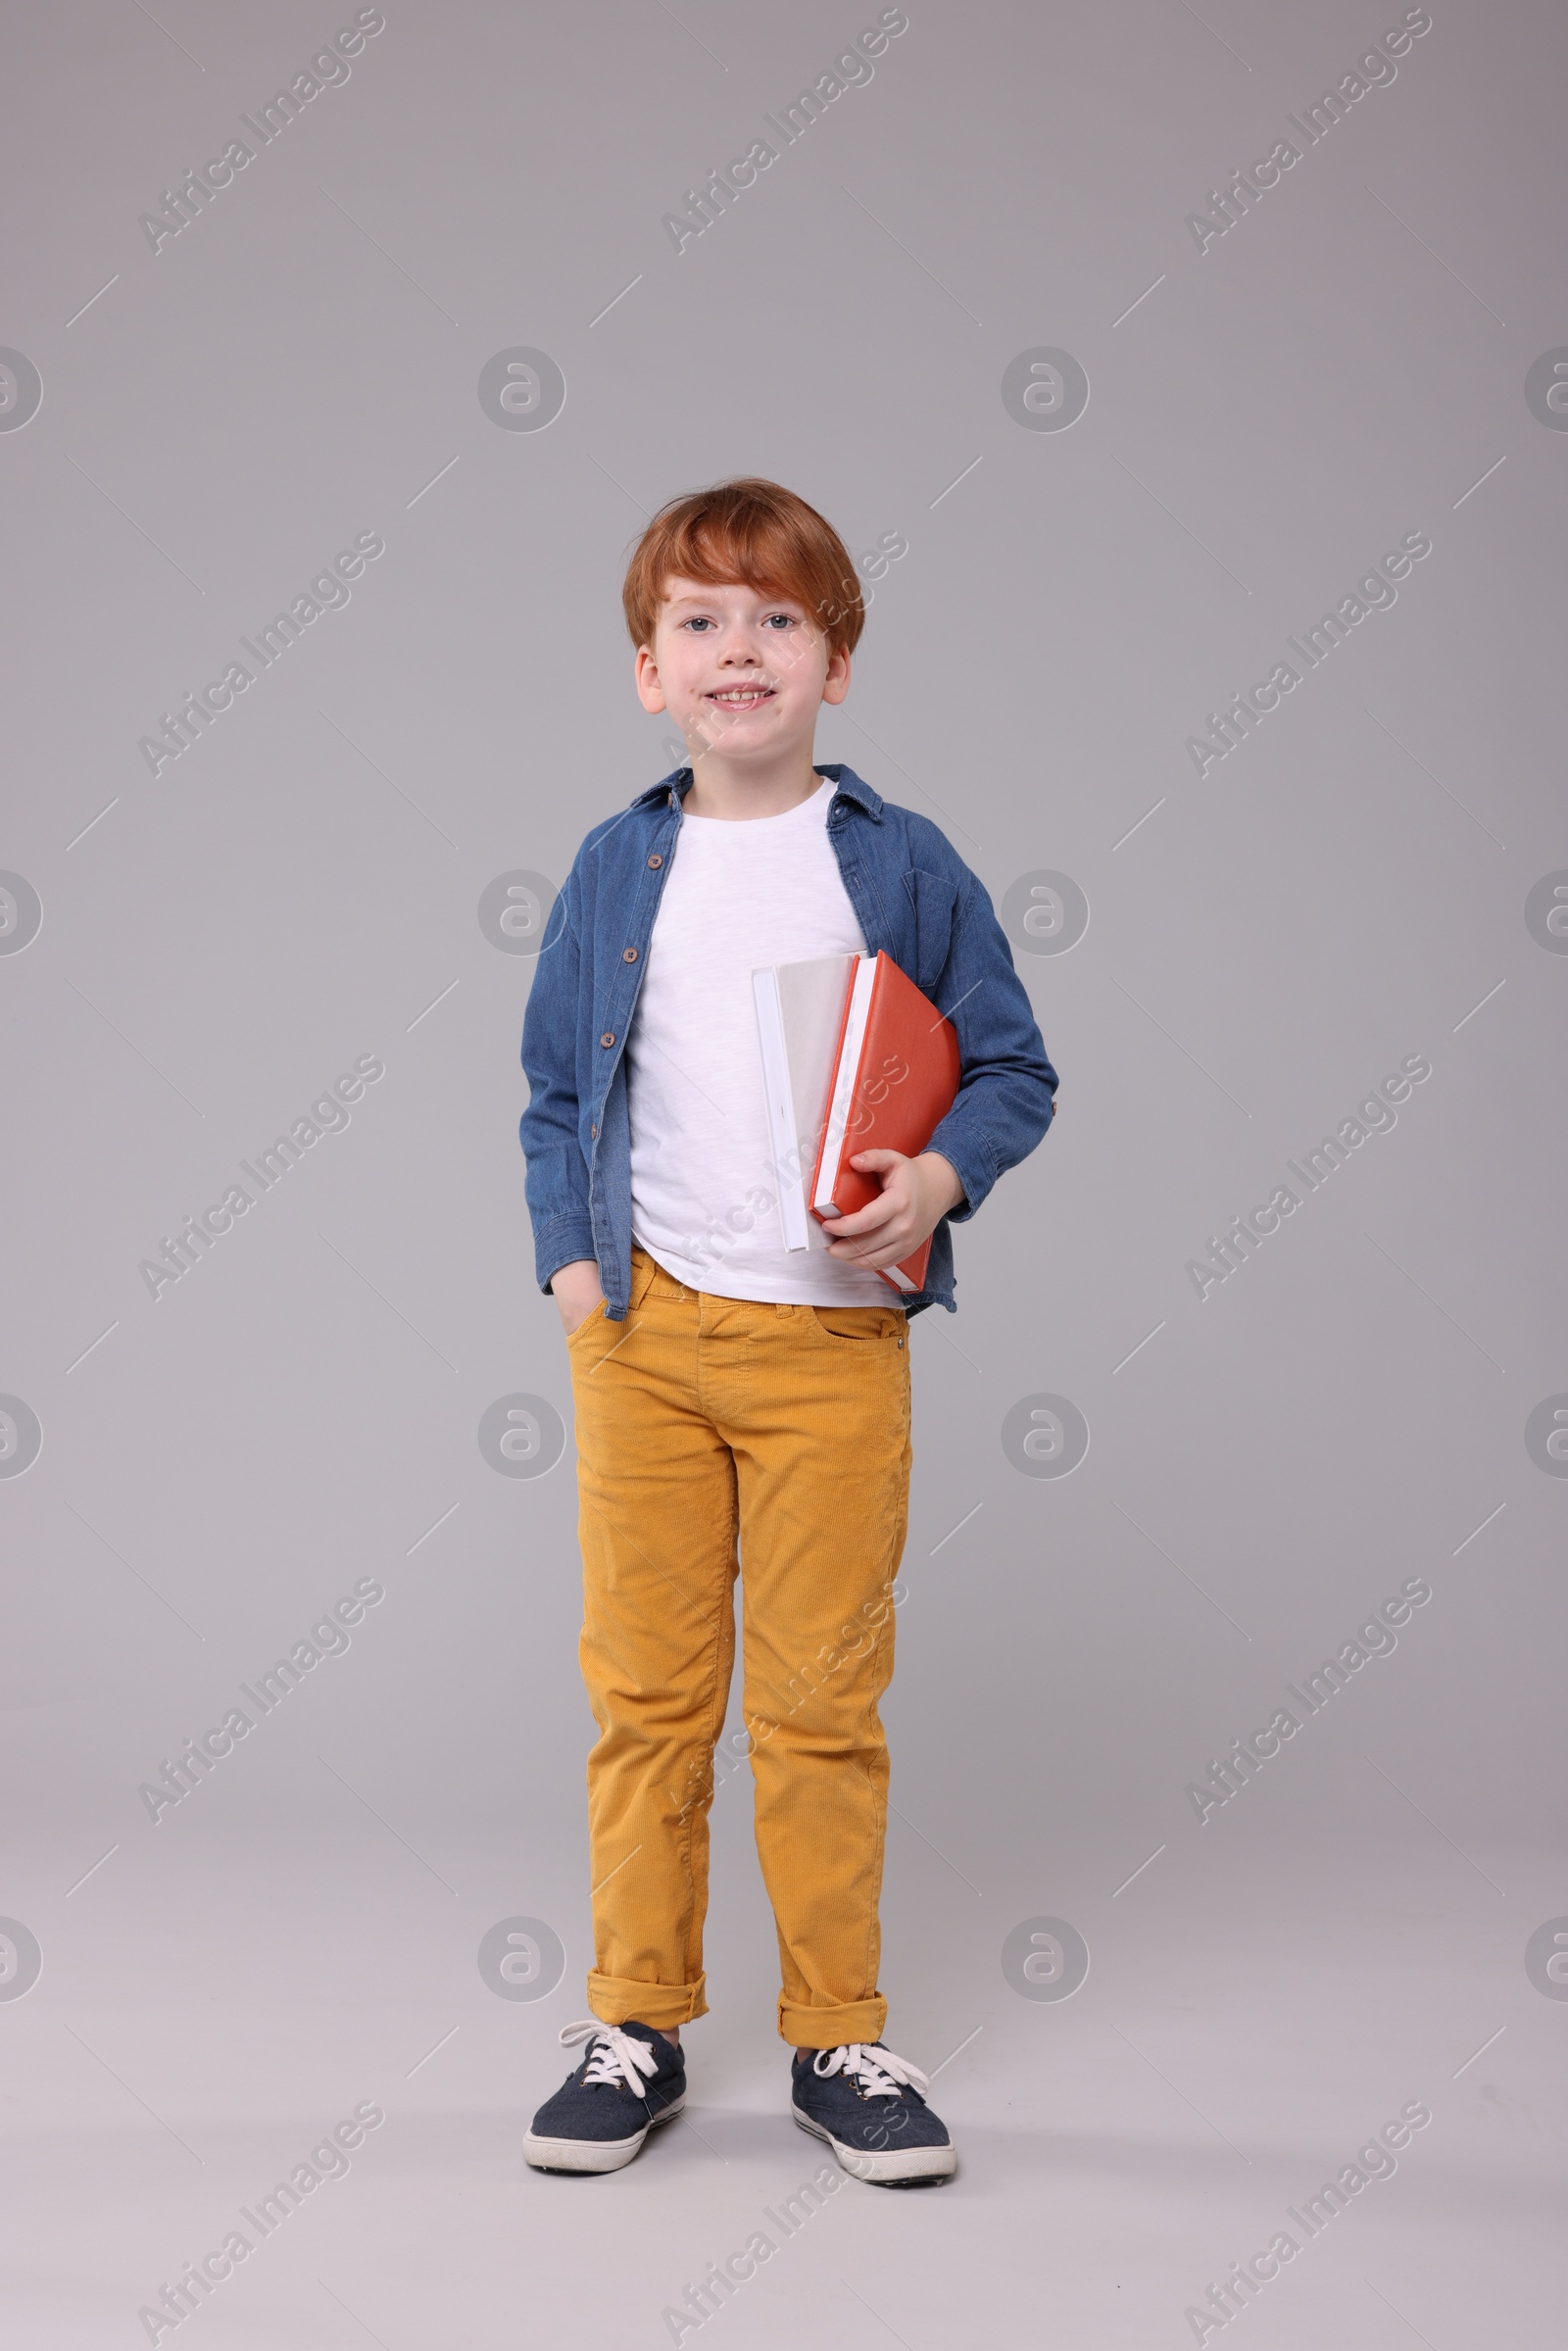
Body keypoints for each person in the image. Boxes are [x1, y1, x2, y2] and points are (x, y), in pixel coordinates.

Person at [517, 477, 1057, 2185]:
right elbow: (550, 1091)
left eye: (777, 620)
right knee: (650, 1698)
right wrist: (575, 1274)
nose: (736, 650)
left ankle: (839, 2035)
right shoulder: (619, 864)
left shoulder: (895, 862)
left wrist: (940, 1180)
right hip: (646, 1340)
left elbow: (1014, 1067)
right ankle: (638, 2022)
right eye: (698, 620)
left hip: (833, 1347)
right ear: (645, 671)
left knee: (822, 1703)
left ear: (838, 661)